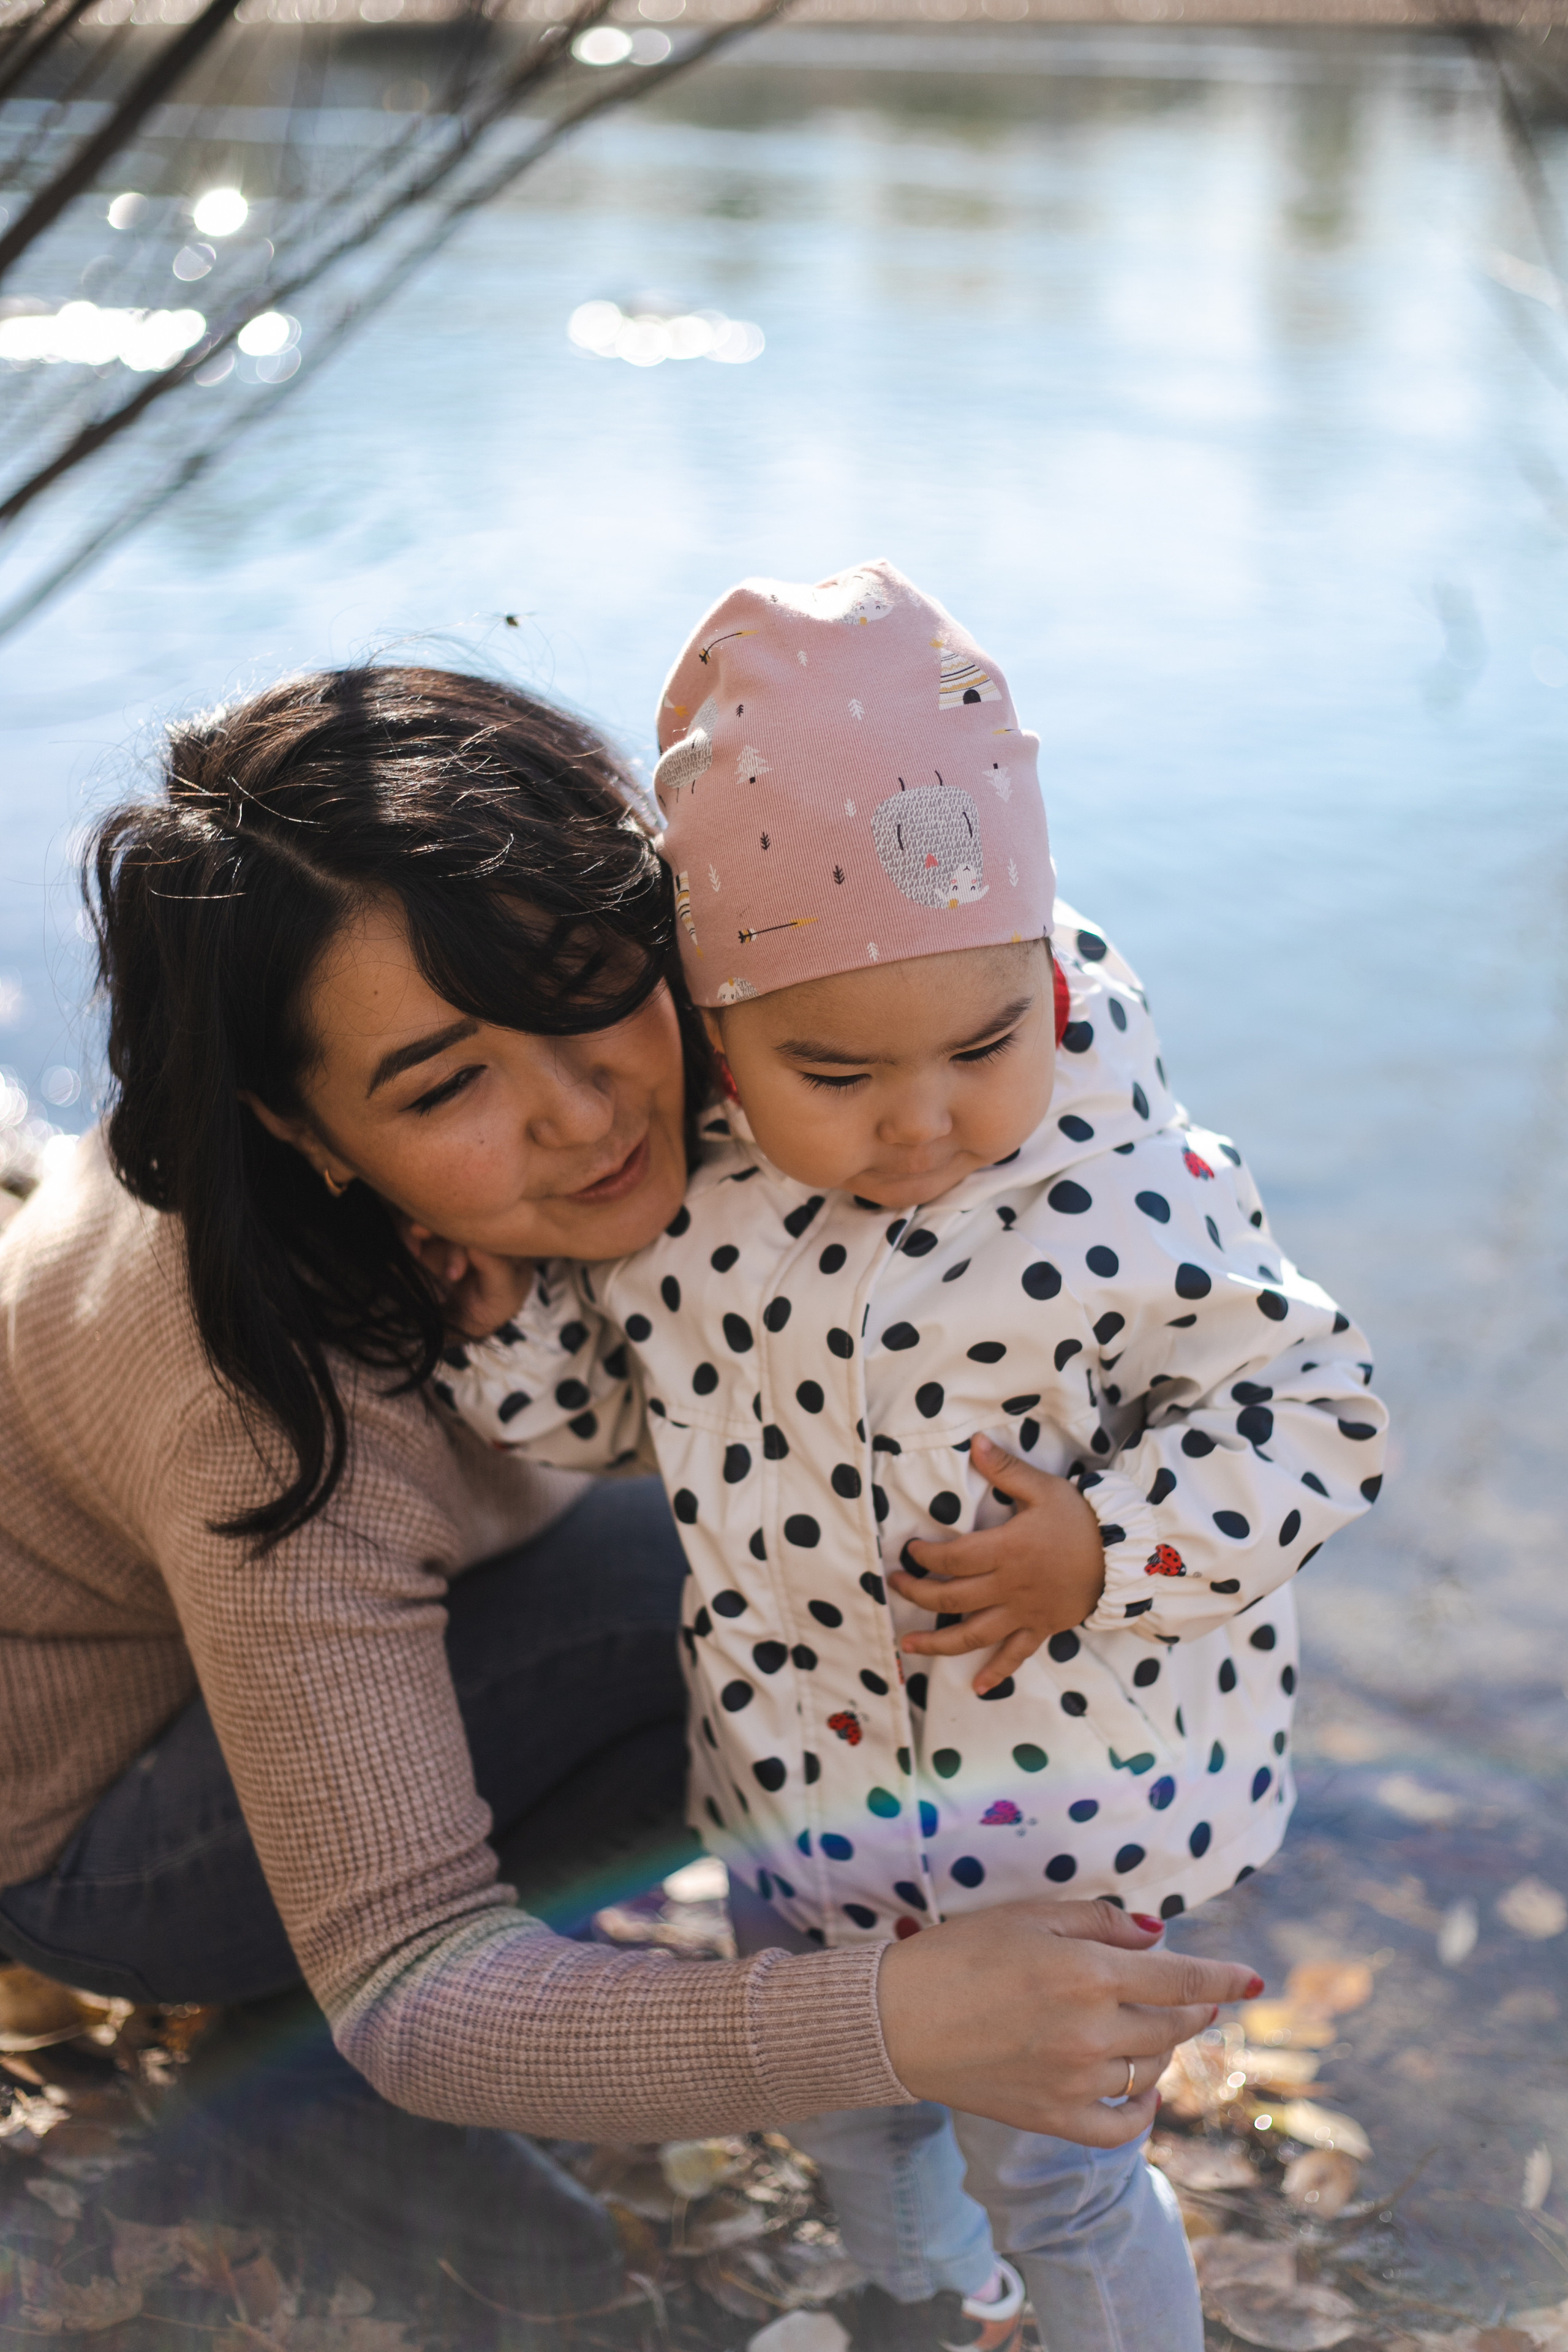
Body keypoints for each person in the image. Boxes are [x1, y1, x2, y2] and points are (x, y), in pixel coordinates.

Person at [0, 663, 1264, 2320]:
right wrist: (902, 2016)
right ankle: (284, 2078)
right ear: (294, 1124)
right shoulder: (269, 1403)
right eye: (443, 1086)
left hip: (331, 1667)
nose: (587, 1115)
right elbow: (410, 1982)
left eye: (588, 984)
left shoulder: (759, 1031)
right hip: (89, 1823)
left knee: (801, 1542)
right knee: (765, 1573)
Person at [429, 566, 1389, 2351]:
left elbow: (1315, 1413)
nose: (925, 1118)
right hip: (800, 1796)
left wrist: (1108, 1545)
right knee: (853, 2110)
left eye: (981, 1043)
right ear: (716, 1030)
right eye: (835, 1069)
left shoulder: (1133, 1194)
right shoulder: (695, 1210)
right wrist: (502, 1320)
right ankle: (916, 2307)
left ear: (1044, 978)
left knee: (1069, 2175)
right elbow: (619, 1424)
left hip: (1070, 1818)